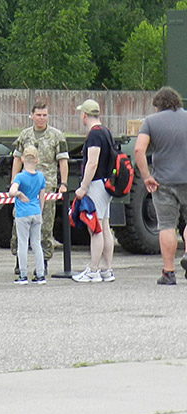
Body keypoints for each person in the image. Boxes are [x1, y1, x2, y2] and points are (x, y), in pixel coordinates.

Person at [133, 86, 187, 285]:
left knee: (167, 225)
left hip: (163, 181)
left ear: (158, 105)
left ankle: (168, 272)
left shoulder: (151, 121)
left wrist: (146, 176)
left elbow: (138, 150)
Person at [10, 102, 70, 272]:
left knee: (45, 224)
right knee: (19, 223)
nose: (41, 118)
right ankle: (20, 260)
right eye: (38, 115)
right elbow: (17, 159)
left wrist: (63, 183)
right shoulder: (25, 135)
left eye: (44, 115)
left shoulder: (56, 136)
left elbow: (62, 161)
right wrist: (14, 181)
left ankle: (43, 261)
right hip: (24, 186)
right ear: (31, 116)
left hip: (46, 185)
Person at [72, 99, 116, 283]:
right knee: (105, 226)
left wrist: (83, 186)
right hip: (106, 184)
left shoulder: (94, 135)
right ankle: (107, 269)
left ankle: (93, 270)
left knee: (95, 228)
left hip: (96, 184)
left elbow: (92, 162)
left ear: (84, 115)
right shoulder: (106, 131)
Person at [9, 146, 47, 284]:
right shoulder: (41, 176)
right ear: (37, 160)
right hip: (36, 211)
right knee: (36, 243)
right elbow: (41, 197)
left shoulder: (20, 177)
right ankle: (40, 274)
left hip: (22, 213)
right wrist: (40, 211)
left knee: (23, 243)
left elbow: (12, 192)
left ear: (22, 159)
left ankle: (23, 274)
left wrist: (19, 193)